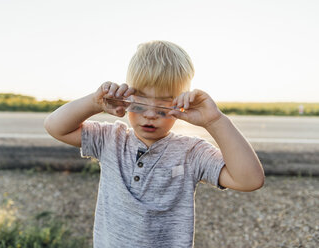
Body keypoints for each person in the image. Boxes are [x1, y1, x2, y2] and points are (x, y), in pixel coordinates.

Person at [44, 40, 265, 248]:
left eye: (163, 107)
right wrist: (94, 103)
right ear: (126, 98)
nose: (150, 114)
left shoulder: (191, 152)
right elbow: (55, 126)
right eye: (139, 104)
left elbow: (249, 179)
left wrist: (215, 121)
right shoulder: (109, 139)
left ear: (181, 104)